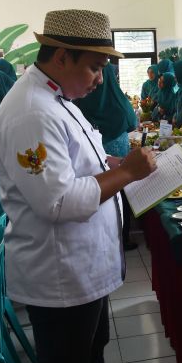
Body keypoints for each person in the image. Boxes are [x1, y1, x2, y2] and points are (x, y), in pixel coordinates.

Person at [0, 9, 155, 363]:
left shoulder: (56, 98)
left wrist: (112, 166)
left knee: (90, 360)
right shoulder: (31, 111)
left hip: (82, 268)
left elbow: (73, 165)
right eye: (95, 67)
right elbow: (57, 200)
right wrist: (129, 172)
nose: (100, 79)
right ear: (62, 56)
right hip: (61, 274)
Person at [74, 62, 139, 252]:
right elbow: (132, 122)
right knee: (121, 194)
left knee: (99, 197)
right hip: (118, 159)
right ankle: (123, 237)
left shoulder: (79, 104)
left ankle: (103, 239)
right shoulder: (118, 101)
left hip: (92, 169)